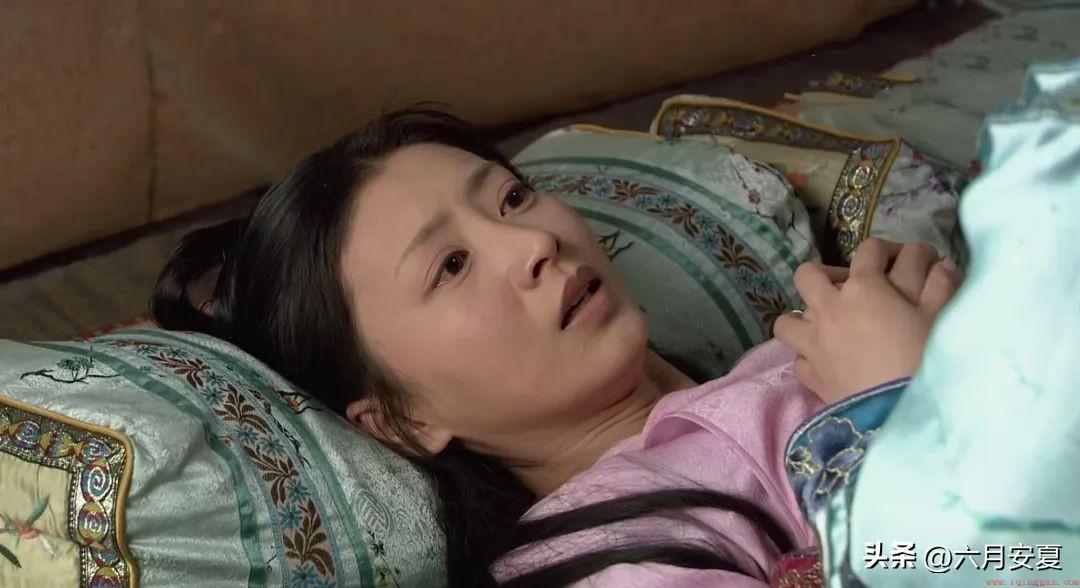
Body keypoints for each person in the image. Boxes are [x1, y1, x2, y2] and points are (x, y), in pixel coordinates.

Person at [150, 108, 962, 587]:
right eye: (451, 266)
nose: (532, 242)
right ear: (402, 421)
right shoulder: (611, 563)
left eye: (511, 198)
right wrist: (895, 405)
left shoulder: (798, 355)